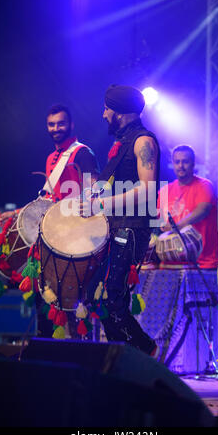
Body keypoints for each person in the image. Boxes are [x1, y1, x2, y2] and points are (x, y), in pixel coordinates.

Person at [0, 104, 100, 337]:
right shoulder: (52, 158)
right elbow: (47, 198)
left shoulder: (81, 153)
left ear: (71, 125)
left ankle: (78, 356)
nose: (56, 128)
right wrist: (15, 214)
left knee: (71, 301)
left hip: (76, 236)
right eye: (51, 124)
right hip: (54, 235)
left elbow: (95, 188)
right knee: (45, 297)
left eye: (61, 123)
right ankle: (47, 349)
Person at [81, 84, 161, 357]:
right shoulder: (123, 144)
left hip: (131, 230)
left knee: (112, 299)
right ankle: (122, 359)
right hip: (114, 228)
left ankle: (146, 351)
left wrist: (101, 203)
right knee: (97, 298)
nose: (103, 115)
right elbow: (112, 188)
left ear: (120, 113)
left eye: (107, 109)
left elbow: (147, 189)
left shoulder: (143, 142)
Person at [157, 144, 218, 269]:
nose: (180, 166)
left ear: (193, 164)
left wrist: (177, 227)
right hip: (170, 264)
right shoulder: (164, 191)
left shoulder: (204, 185)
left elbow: (203, 210)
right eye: (177, 162)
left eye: (185, 161)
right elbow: (160, 222)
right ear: (173, 164)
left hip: (203, 263)